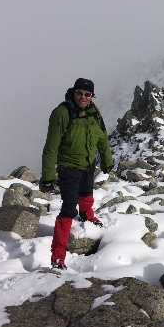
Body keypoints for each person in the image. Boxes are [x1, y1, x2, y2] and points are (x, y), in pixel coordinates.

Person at [39, 78, 114, 270]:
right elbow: (51, 147)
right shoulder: (62, 113)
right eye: (80, 93)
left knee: (87, 192)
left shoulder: (93, 113)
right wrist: (48, 176)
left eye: (87, 94)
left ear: (91, 96)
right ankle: (58, 257)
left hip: (88, 163)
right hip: (68, 167)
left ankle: (87, 215)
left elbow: (102, 138)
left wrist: (106, 160)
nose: (83, 97)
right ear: (73, 92)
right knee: (68, 208)